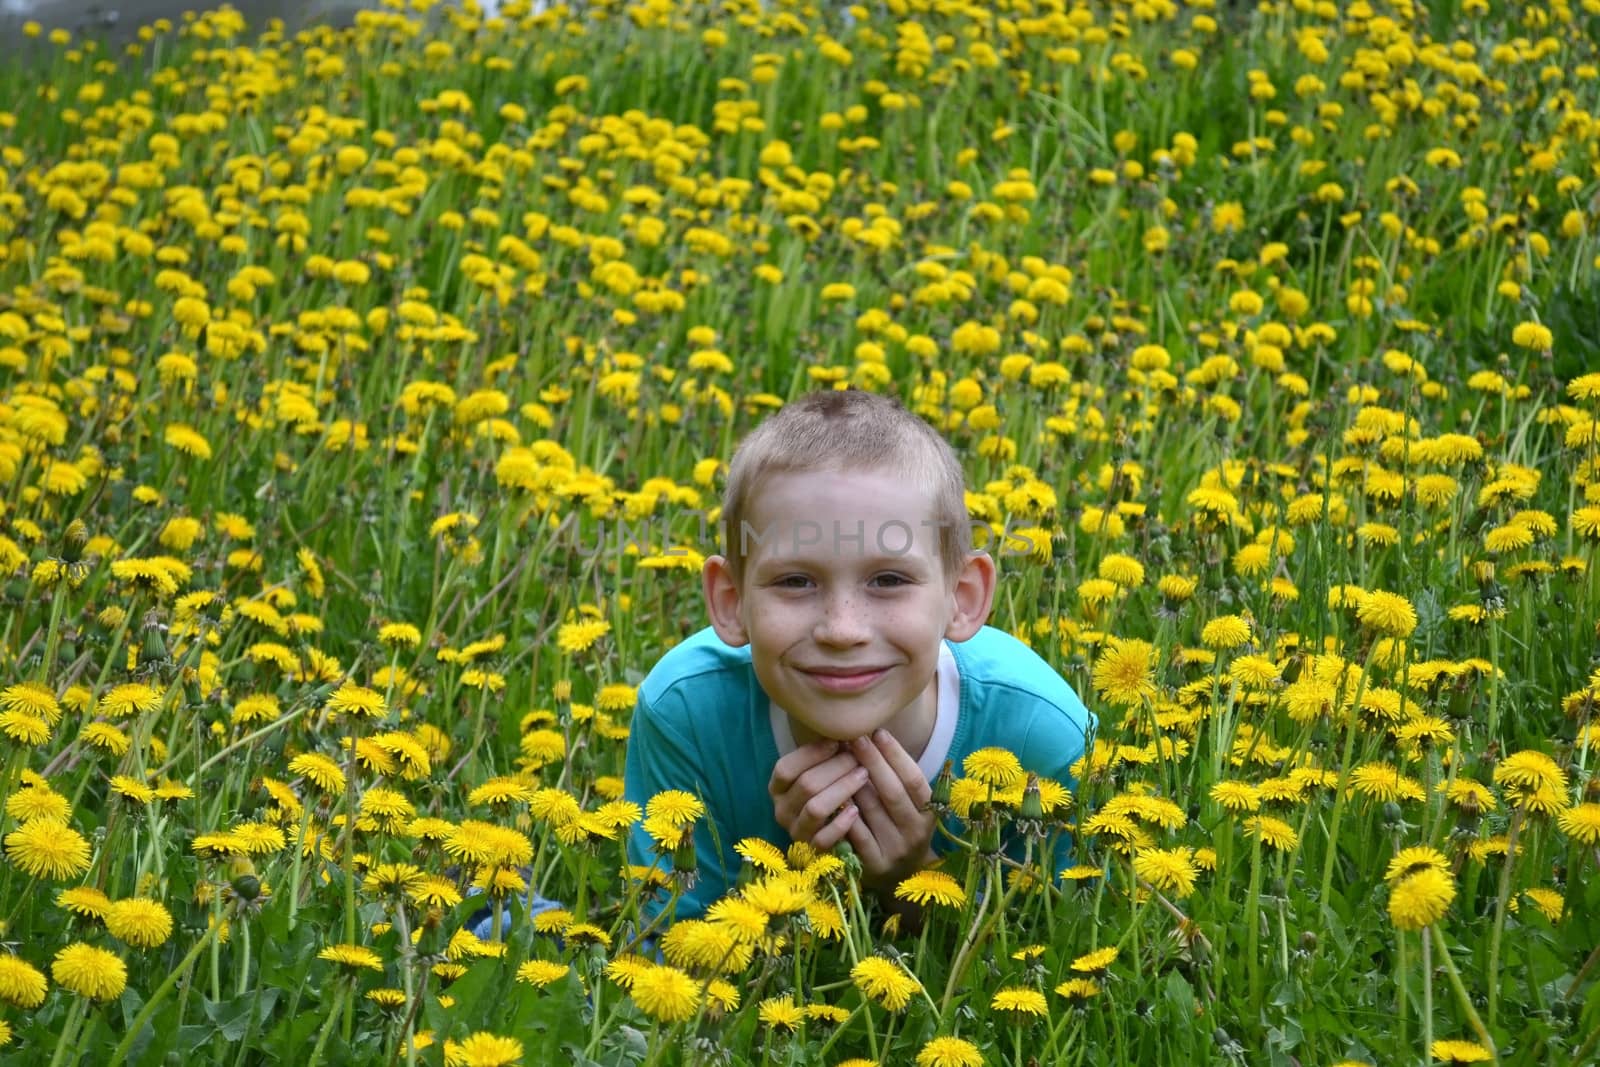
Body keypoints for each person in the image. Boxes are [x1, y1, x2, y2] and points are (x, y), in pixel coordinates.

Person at [622, 389, 1096, 923]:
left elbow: (1072, 941)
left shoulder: (1042, 731)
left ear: (962, 597)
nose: (842, 630)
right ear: (731, 603)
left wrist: (913, 879)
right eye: (795, 581)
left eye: (889, 580)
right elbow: (668, 956)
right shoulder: (686, 711)